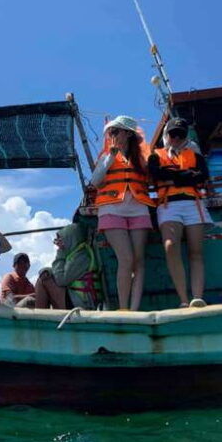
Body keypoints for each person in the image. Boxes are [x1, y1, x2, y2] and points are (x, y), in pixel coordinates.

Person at [90, 115, 155, 311]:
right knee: (126, 259)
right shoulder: (106, 156)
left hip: (138, 209)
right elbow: (95, 181)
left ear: (127, 134)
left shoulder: (141, 159)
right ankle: (123, 307)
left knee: (139, 261)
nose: (111, 135)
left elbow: (151, 178)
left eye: (115, 131)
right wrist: (111, 155)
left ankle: (134, 308)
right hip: (111, 210)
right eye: (110, 132)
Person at [148, 117, 212, 308]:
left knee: (196, 251)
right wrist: (185, 177)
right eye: (172, 134)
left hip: (193, 204)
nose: (175, 138)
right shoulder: (155, 155)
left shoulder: (195, 155)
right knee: (170, 246)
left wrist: (174, 176)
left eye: (180, 134)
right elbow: (156, 173)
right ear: (166, 135)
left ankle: (197, 297)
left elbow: (203, 175)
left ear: (185, 137)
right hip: (168, 205)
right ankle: (183, 298)